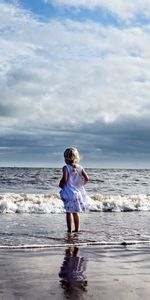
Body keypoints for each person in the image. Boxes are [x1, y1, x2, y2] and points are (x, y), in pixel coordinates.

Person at [59, 147, 89, 233]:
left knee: (68, 212)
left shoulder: (66, 168)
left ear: (65, 159)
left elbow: (64, 179)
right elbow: (87, 178)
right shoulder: (80, 167)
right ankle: (76, 230)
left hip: (69, 193)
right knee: (75, 212)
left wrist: (60, 185)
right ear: (77, 158)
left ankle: (69, 231)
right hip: (77, 194)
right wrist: (80, 185)